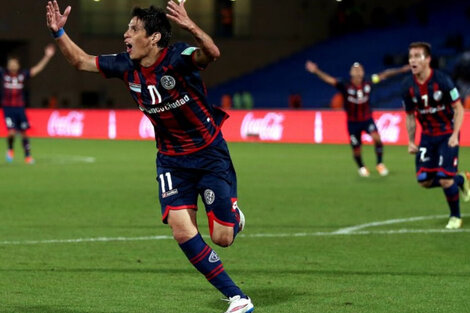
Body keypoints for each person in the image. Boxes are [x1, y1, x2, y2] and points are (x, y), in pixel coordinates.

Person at [45, 1, 254, 312]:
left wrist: (191, 25)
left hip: (209, 154)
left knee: (223, 238)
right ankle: (238, 297)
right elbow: (80, 61)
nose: (125, 34)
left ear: (154, 37)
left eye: (133, 29)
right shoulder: (124, 65)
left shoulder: (178, 58)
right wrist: (59, 31)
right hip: (171, 159)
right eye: (128, 28)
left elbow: (211, 54)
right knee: (181, 229)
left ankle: (234, 218)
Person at [402, 42, 470, 229]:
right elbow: (409, 116)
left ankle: (455, 216)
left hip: (447, 133)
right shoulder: (407, 86)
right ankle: (461, 180)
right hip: (427, 136)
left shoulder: (443, 81)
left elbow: (459, 109)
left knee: (445, 178)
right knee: (424, 181)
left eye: (417, 56)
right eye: (411, 56)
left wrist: (455, 134)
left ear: (428, 59)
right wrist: (410, 141)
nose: (412, 60)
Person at [306, 60, 409, 177]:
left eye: (360, 69)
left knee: (377, 139)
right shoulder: (344, 84)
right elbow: (329, 80)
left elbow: (384, 74)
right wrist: (316, 71)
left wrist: (401, 70)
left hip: (366, 119)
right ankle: (361, 167)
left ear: (363, 72)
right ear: (351, 73)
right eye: (355, 69)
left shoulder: (369, 81)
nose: (357, 71)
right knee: (356, 149)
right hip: (352, 123)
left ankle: (380, 164)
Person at [1, 44, 56, 164]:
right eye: (10, 63)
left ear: (18, 65)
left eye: (14, 63)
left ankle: (28, 156)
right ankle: (10, 149)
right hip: (8, 108)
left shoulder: (22, 74)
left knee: (24, 133)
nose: (12, 65)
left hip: (20, 108)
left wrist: (47, 56)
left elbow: (37, 69)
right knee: (11, 132)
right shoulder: (3, 74)